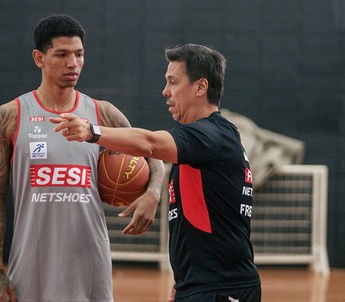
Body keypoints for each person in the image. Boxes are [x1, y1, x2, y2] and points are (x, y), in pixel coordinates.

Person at [52, 44, 262, 302]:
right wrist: (182, 280)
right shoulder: (204, 141)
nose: (165, 92)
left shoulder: (212, 135)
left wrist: (92, 132)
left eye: (173, 82)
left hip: (221, 287)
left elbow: (150, 143)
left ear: (200, 87)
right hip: (200, 284)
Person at [0, 14, 165, 302]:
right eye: (62, 55)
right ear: (39, 58)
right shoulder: (10, 116)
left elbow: (153, 153)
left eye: (79, 54)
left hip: (89, 260)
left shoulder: (102, 113)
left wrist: (153, 194)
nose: (73, 63)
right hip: (31, 261)